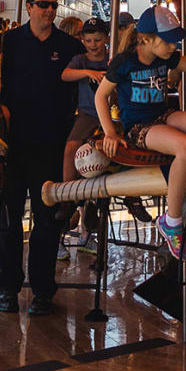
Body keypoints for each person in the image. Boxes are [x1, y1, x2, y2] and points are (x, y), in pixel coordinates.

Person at [95, 6, 186, 260]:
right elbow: (101, 96)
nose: (173, 46)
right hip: (139, 128)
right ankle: (171, 221)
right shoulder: (125, 62)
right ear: (146, 39)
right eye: (168, 41)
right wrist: (110, 132)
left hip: (162, 116)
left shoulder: (165, 57)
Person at [0, 0, 82, 315]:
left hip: (51, 144)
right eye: (43, 5)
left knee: (46, 222)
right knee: (9, 220)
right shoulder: (10, 43)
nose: (49, 10)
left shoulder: (69, 45)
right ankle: (8, 288)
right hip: (13, 146)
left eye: (54, 6)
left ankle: (43, 290)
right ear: (28, 7)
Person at [58, 19, 112, 246]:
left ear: (106, 39)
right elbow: (65, 74)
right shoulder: (80, 60)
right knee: (71, 145)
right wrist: (87, 72)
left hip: (112, 114)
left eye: (97, 40)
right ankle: (67, 196)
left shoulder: (113, 59)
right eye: (88, 40)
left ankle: (132, 197)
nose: (93, 44)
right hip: (89, 114)